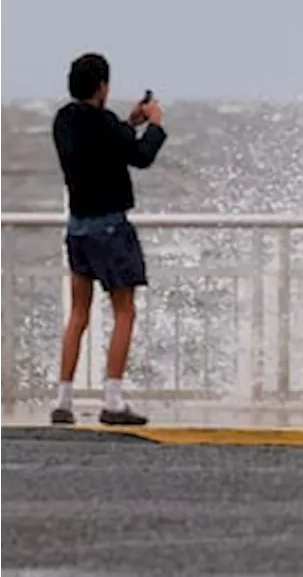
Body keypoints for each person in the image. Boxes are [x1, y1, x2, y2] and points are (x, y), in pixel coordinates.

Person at [50, 53, 166, 427]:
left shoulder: (65, 121)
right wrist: (155, 126)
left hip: (77, 228)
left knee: (78, 314)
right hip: (111, 228)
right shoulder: (104, 125)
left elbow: (106, 140)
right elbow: (141, 156)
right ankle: (113, 398)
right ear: (103, 86)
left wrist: (127, 123)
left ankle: (63, 399)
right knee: (124, 311)